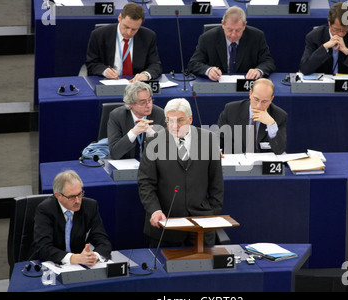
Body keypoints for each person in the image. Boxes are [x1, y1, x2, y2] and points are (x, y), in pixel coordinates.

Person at [137, 98, 224, 248]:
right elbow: (146, 182)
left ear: (190, 119)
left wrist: (211, 213)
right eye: (170, 121)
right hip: (165, 224)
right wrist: (155, 210)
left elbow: (216, 183)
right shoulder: (154, 142)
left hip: (201, 226)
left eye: (180, 120)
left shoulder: (208, 139)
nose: (174, 126)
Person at [32, 170, 112, 265]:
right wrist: (74, 258)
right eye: (72, 197)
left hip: (79, 265)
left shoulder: (90, 206)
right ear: (58, 196)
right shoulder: (45, 209)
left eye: (79, 194)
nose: (78, 200)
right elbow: (43, 248)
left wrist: (94, 256)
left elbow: (103, 241)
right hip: (51, 263)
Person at [187, 6, 275, 81]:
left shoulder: (257, 37)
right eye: (229, 30)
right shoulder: (207, 38)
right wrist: (208, 70)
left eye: (238, 30)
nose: (233, 35)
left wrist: (258, 70)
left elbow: (268, 62)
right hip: (218, 85)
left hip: (245, 87)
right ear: (223, 24)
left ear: (244, 26)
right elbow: (193, 63)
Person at [85, 3, 162, 81]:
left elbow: (155, 64)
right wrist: (104, 71)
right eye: (126, 27)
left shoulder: (148, 36)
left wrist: (146, 74)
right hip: (109, 82)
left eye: (134, 29)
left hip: (136, 84)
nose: (129, 32)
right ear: (119, 18)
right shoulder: (99, 35)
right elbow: (91, 63)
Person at [299, 2, 348, 76]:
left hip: (345, 84)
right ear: (329, 22)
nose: (340, 34)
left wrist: (346, 51)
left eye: (344, 30)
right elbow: (305, 68)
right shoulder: (314, 36)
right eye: (336, 30)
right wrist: (324, 48)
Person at [217, 78, 287, 155]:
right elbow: (219, 138)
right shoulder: (231, 110)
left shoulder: (279, 116)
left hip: (263, 164)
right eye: (256, 99)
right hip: (236, 161)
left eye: (264, 102)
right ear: (250, 94)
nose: (258, 106)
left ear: (271, 99)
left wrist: (271, 124)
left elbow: (279, 150)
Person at [108, 81, 166, 160]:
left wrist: (152, 134)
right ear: (130, 104)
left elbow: (167, 152)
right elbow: (115, 154)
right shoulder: (117, 116)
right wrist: (133, 133)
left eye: (149, 100)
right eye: (143, 103)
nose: (148, 105)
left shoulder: (159, 114)